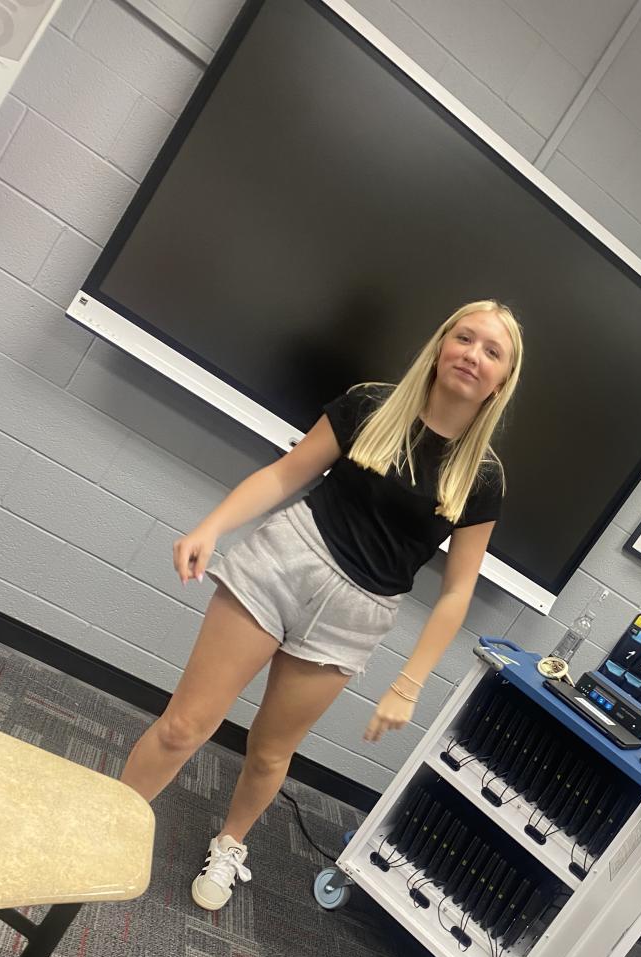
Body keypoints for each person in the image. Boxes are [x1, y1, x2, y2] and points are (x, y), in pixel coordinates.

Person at [120, 300, 523, 910]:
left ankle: (230, 844)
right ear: (442, 344)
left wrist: (409, 684)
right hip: (283, 564)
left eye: (492, 351)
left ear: (501, 380)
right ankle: (109, 821)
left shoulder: (483, 476)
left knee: (269, 753)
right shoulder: (371, 405)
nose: (473, 355)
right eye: (465, 338)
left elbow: (457, 591)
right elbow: (285, 475)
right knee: (183, 727)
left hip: (355, 616)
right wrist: (212, 525)